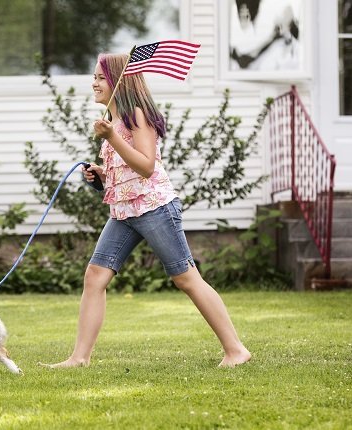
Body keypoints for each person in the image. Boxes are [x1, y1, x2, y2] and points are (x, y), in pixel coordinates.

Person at [47, 53, 252, 368]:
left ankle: (236, 350)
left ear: (118, 81)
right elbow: (125, 169)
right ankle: (79, 358)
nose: (94, 83)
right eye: (94, 77)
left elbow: (145, 166)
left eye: (101, 77)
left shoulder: (136, 116)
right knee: (95, 276)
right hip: (124, 212)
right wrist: (102, 175)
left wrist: (112, 137)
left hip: (155, 207)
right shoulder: (114, 122)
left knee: (186, 278)